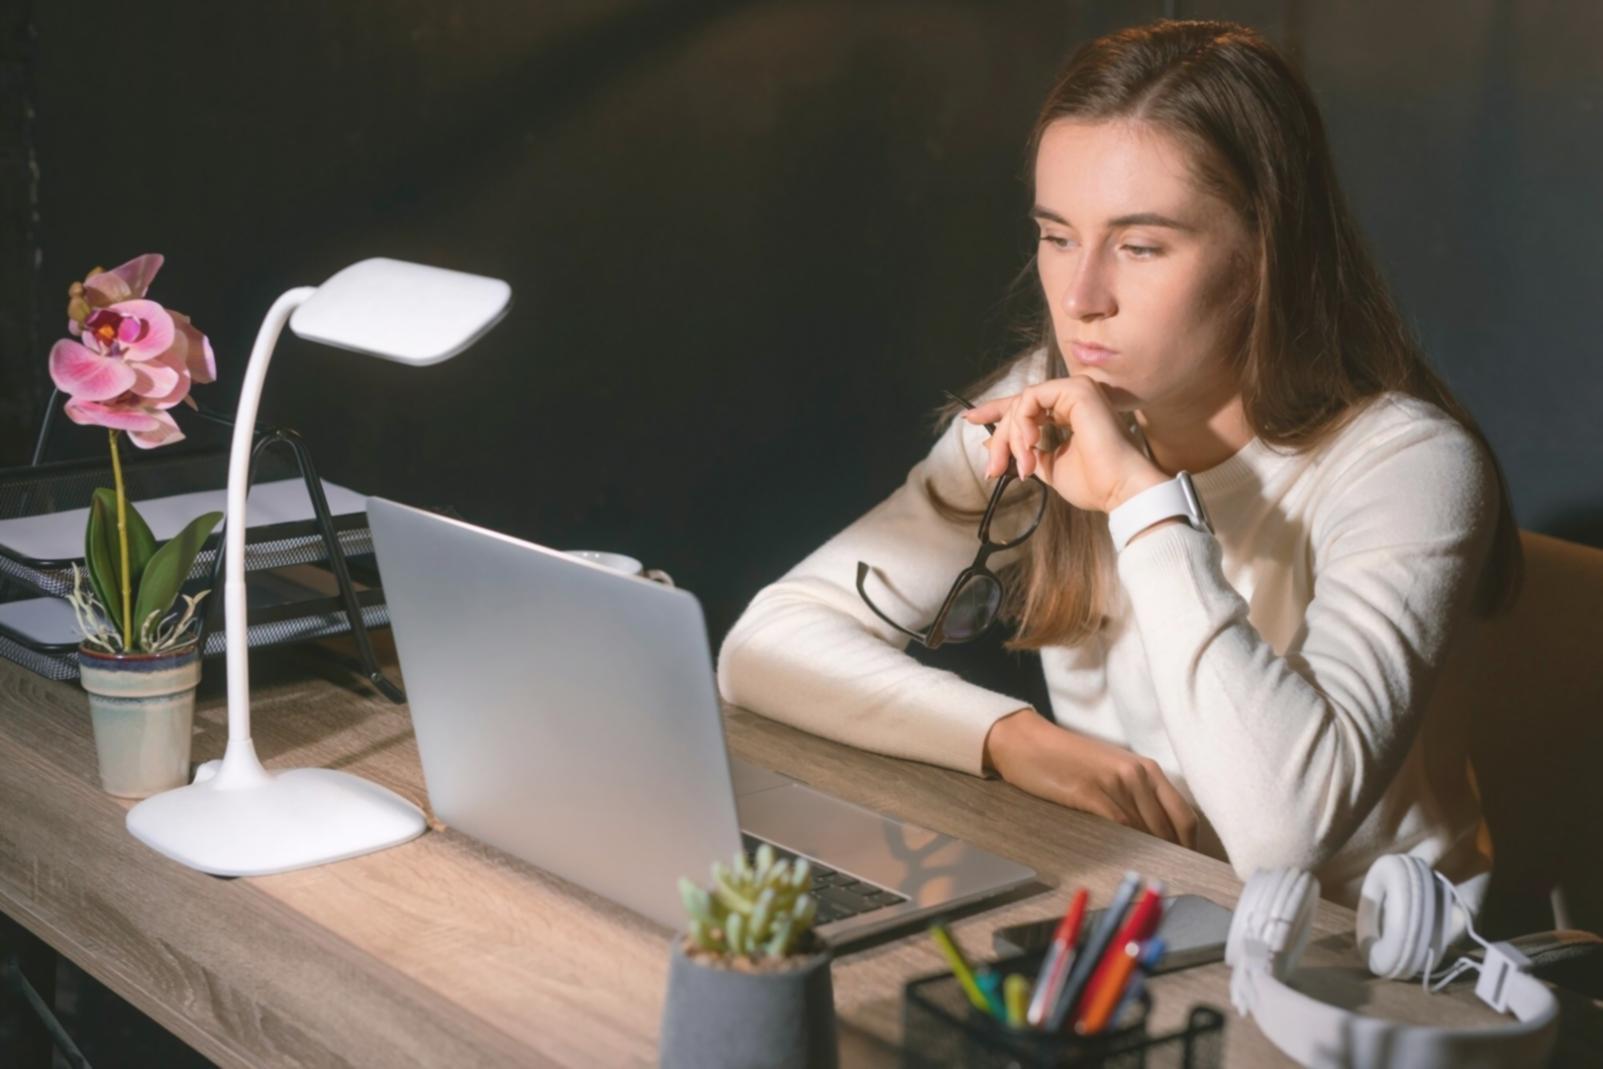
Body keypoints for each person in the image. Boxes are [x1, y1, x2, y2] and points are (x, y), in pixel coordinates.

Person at [716, 19, 1519, 909]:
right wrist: (1011, 737)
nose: (1080, 297)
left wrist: (1141, 501)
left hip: (1368, 983)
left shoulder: (1406, 465)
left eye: (1139, 247)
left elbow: (1279, 834)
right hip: (1147, 917)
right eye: (1057, 236)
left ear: (1264, 255)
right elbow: (764, 645)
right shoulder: (1041, 402)